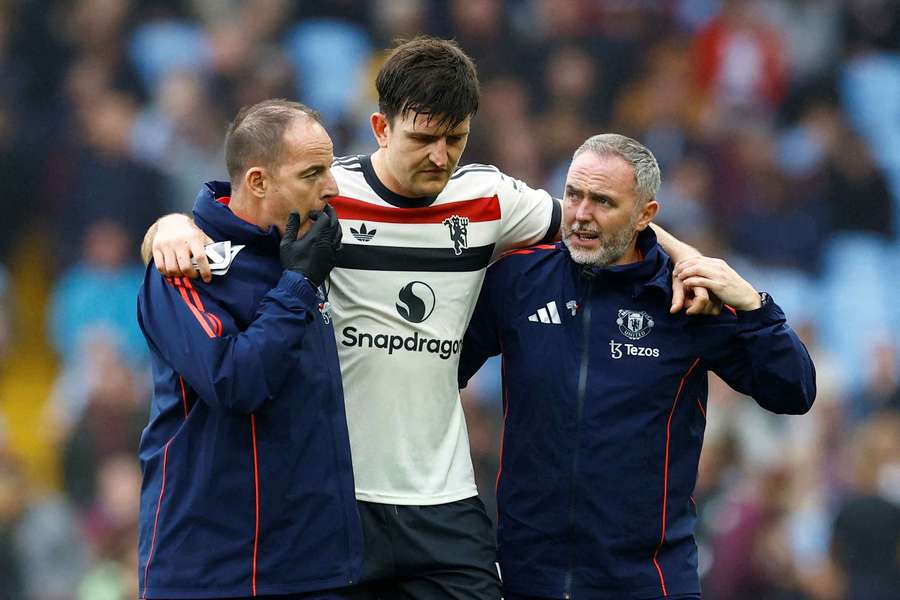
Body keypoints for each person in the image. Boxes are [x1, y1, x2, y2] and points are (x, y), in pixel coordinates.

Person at [145, 38, 712, 599]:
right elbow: (238, 216)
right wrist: (168, 228)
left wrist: (694, 261)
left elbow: (600, 226)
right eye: (423, 138)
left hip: (443, 499)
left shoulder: (490, 199)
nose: (440, 156)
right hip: (339, 499)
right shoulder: (325, 195)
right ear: (382, 127)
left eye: (455, 139)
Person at [458, 134, 816, 600]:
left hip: (647, 581)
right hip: (529, 576)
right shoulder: (518, 279)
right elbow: (440, 372)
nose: (582, 214)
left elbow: (794, 390)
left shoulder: (687, 297)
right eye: (573, 195)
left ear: (646, 215)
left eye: (603, 201)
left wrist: (753, 305)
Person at [136, 100, 364, 599]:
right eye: (313, 173)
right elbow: (234, 381)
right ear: (258, 182)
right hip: (209, 571)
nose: (334, 187)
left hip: (316, 570)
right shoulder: (184, 266)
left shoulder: (312, 242)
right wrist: (298, 285)